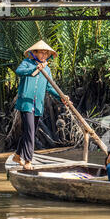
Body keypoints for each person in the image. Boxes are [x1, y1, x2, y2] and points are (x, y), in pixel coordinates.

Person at [12, 40, 68, 170]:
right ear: (35, 53)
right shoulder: (27, 63)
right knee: (30, 131)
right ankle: (28, 160)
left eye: (46, 53)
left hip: (38, 105)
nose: (43, 55)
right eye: (41, 53)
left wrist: (62, 96)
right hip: (26, 103)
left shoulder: (47, 69)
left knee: (29, 131)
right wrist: (35, 68)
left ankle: (17, 155)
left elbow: (50, 87)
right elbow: (19, 71)